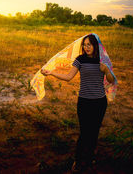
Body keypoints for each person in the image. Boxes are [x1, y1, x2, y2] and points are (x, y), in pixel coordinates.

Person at [41, 33, 115, 173]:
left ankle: (90, 158)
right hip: (84, 102)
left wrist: (106, 71)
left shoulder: (102, 61)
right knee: (84, 133)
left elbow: (111, 80)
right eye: (85, 45)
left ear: (95, 45)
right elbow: (68, 77)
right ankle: (79, 160)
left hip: (99, 102)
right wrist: (51, 73)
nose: (87, 47)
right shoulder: (80, 60)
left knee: (94, 132)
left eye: (89, 45)